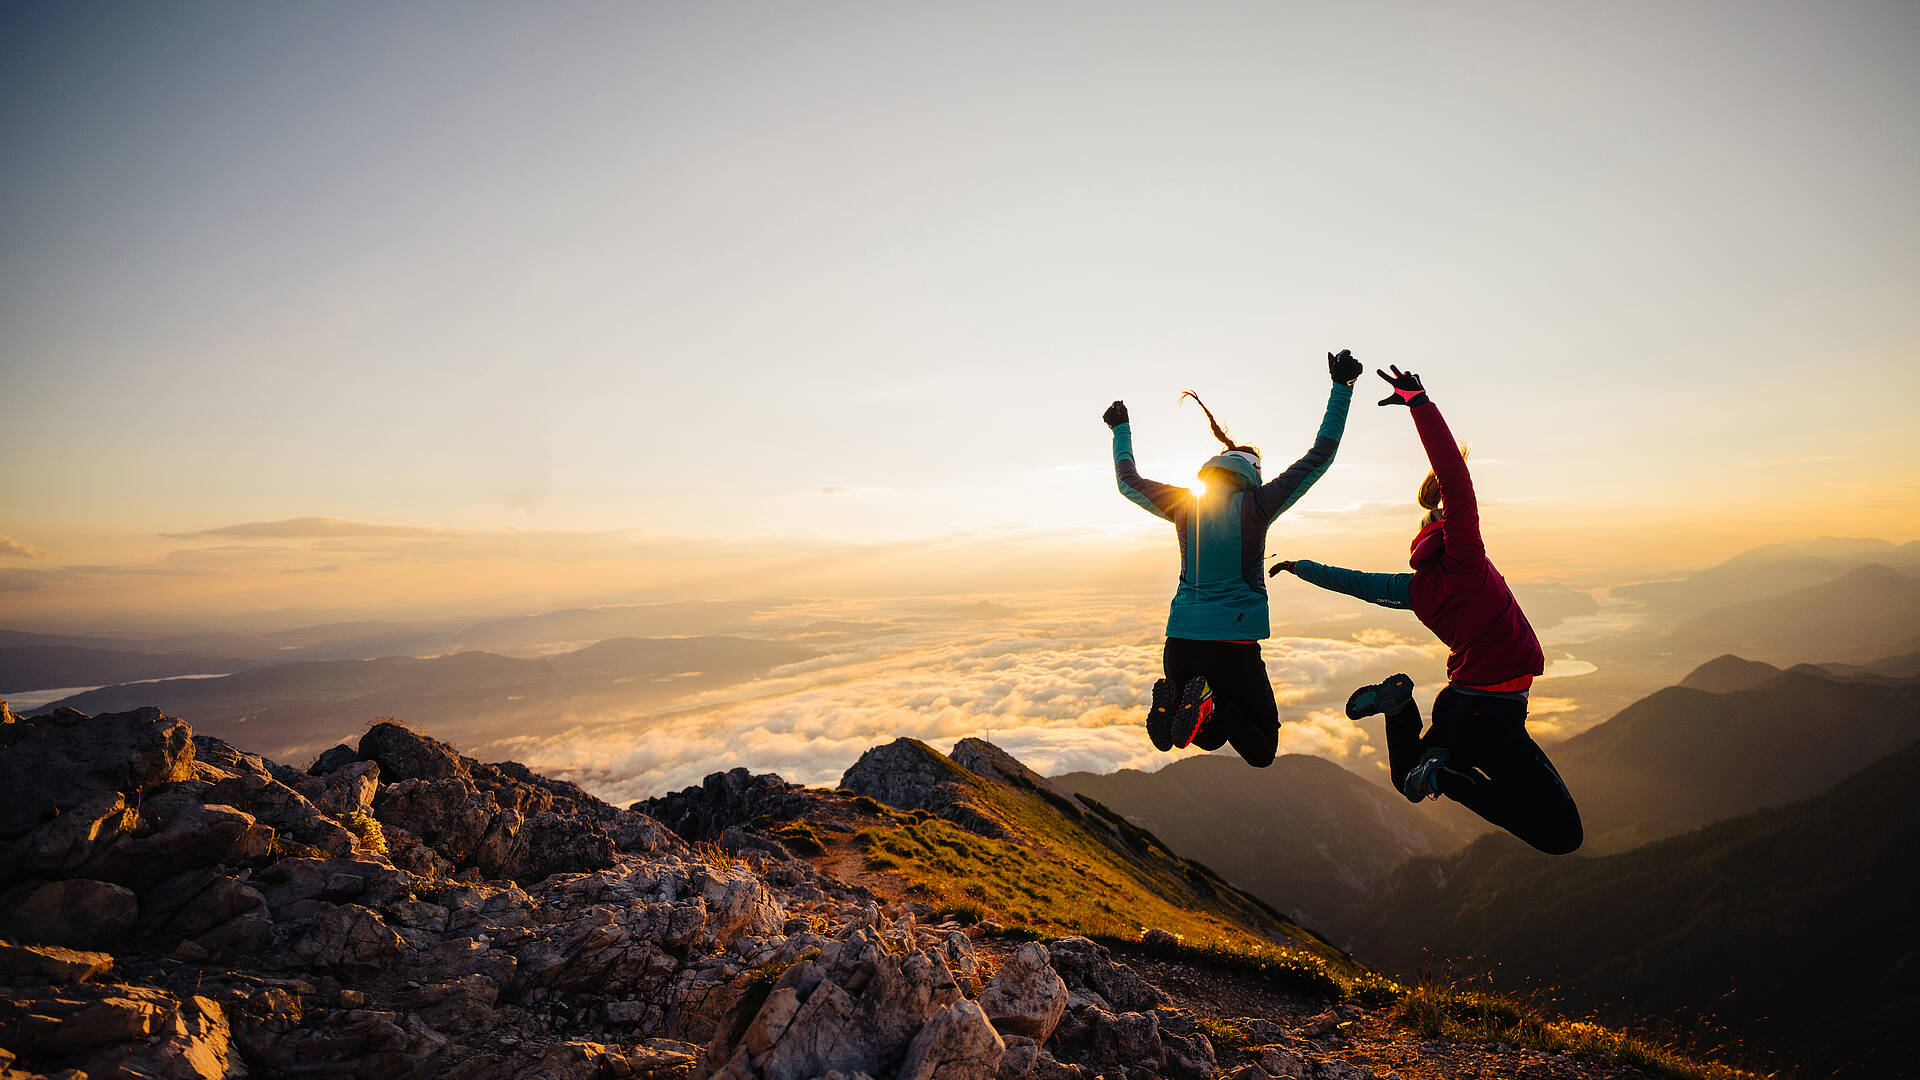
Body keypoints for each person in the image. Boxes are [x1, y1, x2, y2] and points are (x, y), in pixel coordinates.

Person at [1271, 364, 1582, 854]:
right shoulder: (1464, 557)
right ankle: (1440, 765)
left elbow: (1356, 584)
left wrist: (1300, 566)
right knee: (1562, 834)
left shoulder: (1418, 588)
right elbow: (1456, 479)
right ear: (1446, 520)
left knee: (1408, 776)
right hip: (1491, 712)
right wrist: (1419, 402)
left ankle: (1401, 708)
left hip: (1466, 708)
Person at [1104, 350, 1362, 767]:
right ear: (1252, 471)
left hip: (1180, 644)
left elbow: (1128, 483)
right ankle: (1212, 704)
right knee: (1261, 748)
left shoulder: (1184, 504)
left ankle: (1197, 703)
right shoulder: (1258, 504)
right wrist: (1342, 387)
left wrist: (1120, 429)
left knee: (1201, 739)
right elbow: (1320, 457)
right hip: (1232, 647)